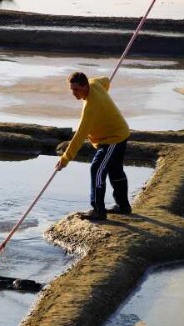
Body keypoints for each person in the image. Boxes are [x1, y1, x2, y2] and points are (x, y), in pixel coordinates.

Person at [55, 71, 132, 221]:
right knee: (115, 170)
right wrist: (105, 90)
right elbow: (106, 81)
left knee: (97, 169)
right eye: (71, 89)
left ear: (84, 86)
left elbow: (79, 136)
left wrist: (65, 159)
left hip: (113, 138)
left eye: (76, 89)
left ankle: (98, 210)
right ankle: (123, 206)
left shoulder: (90, 107)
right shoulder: (94, 83)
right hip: (121, 132)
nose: (73, 93)